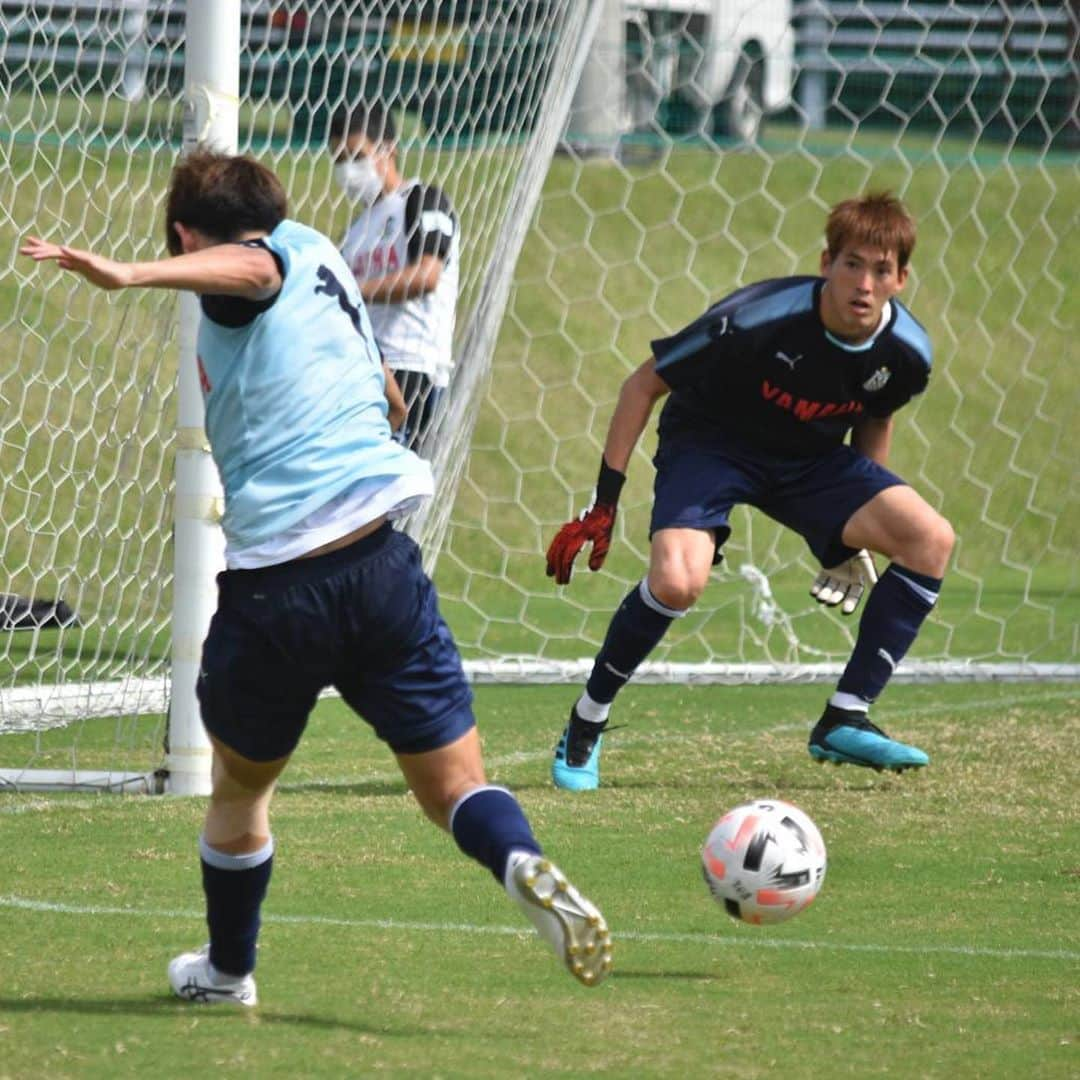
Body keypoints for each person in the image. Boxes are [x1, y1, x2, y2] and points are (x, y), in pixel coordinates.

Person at [21, 149, 611, 1004]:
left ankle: (228, 973)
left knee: (238, 790)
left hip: (278, 589)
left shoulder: (258, 263)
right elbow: (385, 392)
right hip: (382, 567)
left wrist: (130, 271)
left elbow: (251, 267)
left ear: (186, 231)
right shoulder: (328, 255)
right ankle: (520, 862)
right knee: (457, 787)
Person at [544, 192, 954, 791]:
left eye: (881, 270)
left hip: (809, 460)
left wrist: (842, 530)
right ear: (826, 263)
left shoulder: (908, 354)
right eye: (852, 265)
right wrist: (604, 503)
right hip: (711, 445)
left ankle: (846, 715)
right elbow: (642, 385)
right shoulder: (756, 317)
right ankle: (587, 719)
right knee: (679, 581)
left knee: (930, 539)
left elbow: (873, 419)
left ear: (901, 279)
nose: (864, 283)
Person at [331, 102, 459, 457]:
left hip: (412, 370)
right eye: (338, 159)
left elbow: (426, 276)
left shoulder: (423, 201)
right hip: (361, 372)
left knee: (389, 500)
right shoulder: (355, 232)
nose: (347, 169)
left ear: (389, 148)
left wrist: (353, 292)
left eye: (356, 155)